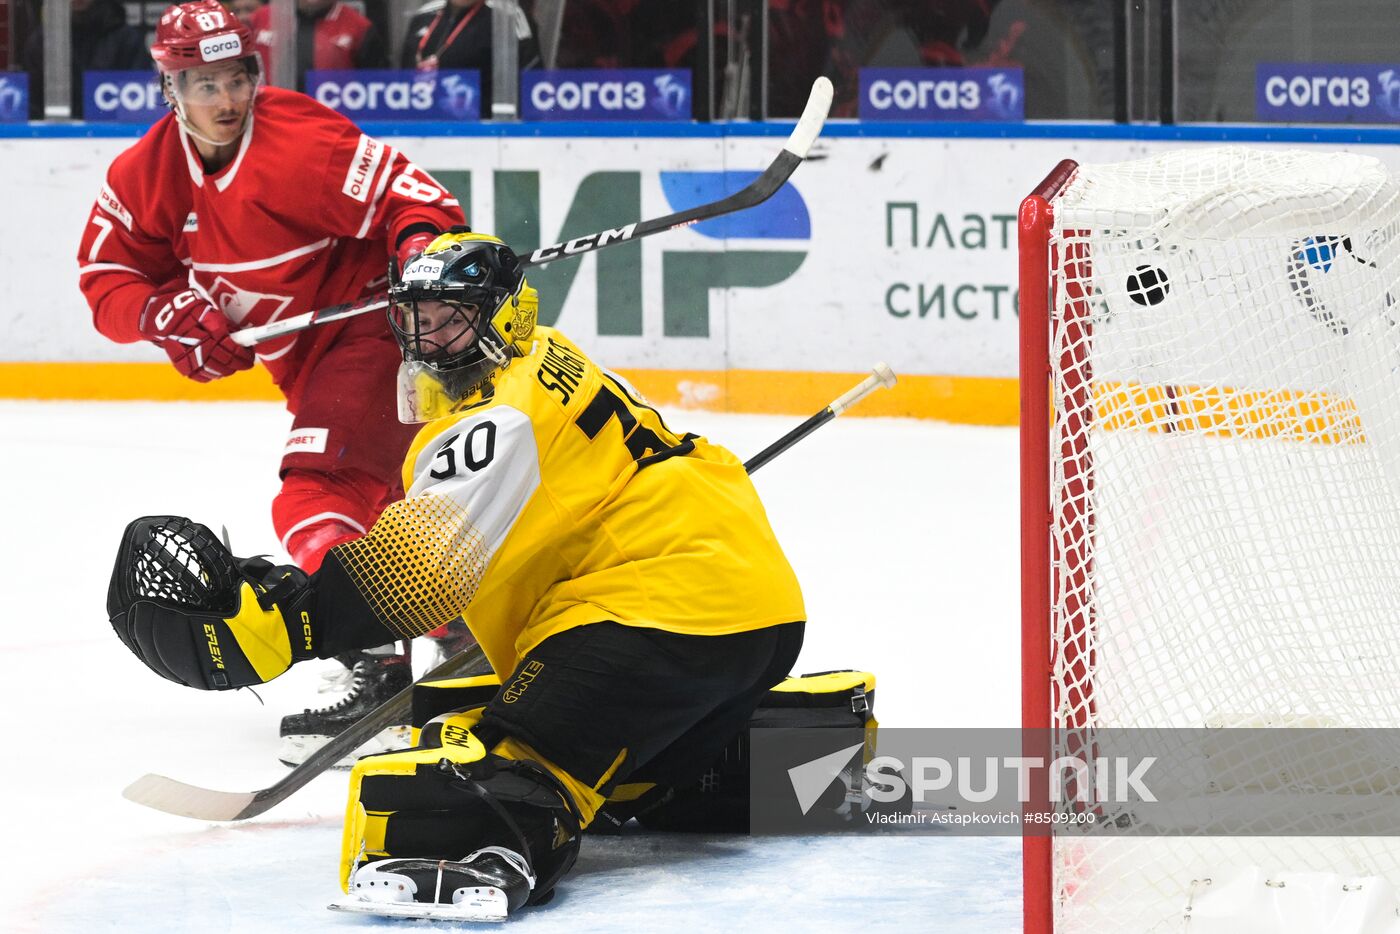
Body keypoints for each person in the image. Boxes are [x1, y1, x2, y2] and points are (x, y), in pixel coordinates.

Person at [106, 231, 808, 916]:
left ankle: (482, 845)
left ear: (503, 315)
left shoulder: (500, 416)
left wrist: (293, 622)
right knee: (519, 731)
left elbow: (415, 575)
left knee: (499, 763)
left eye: (450, 319)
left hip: (662, 615)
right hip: (742, 612)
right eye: (414, 318)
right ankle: (776, 764)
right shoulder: (546, 351)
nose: (426, 337)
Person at [76, 0, 465, 766]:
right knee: (389, 514)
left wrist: (422, 258)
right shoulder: (147, 174)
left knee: (319, 494)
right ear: (170, 88)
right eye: (204, 83)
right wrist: (163, 313)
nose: (225, 100)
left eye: (237, 78)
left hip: (377, 331)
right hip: (310, 364)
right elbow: (105, 279)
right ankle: (462, 639)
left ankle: (381, 666)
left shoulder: (298, 141)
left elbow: (422, 203)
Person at [400, 0, 540, 110]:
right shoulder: (424, 16)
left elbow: (532, 90)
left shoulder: (507, 18)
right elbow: (401, 79)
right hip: (419, 131)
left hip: (480, 134)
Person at [23, 0, 151, 119]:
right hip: (54, 136)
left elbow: (142, 102)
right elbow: (30, 105)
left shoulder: (126, 40)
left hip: (115, 134)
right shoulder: (42, 42)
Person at [250, 0, 387, 91]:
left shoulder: (358, 27)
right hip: (269, 117)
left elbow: (376, 87)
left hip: (333, 121)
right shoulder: (260, 19)